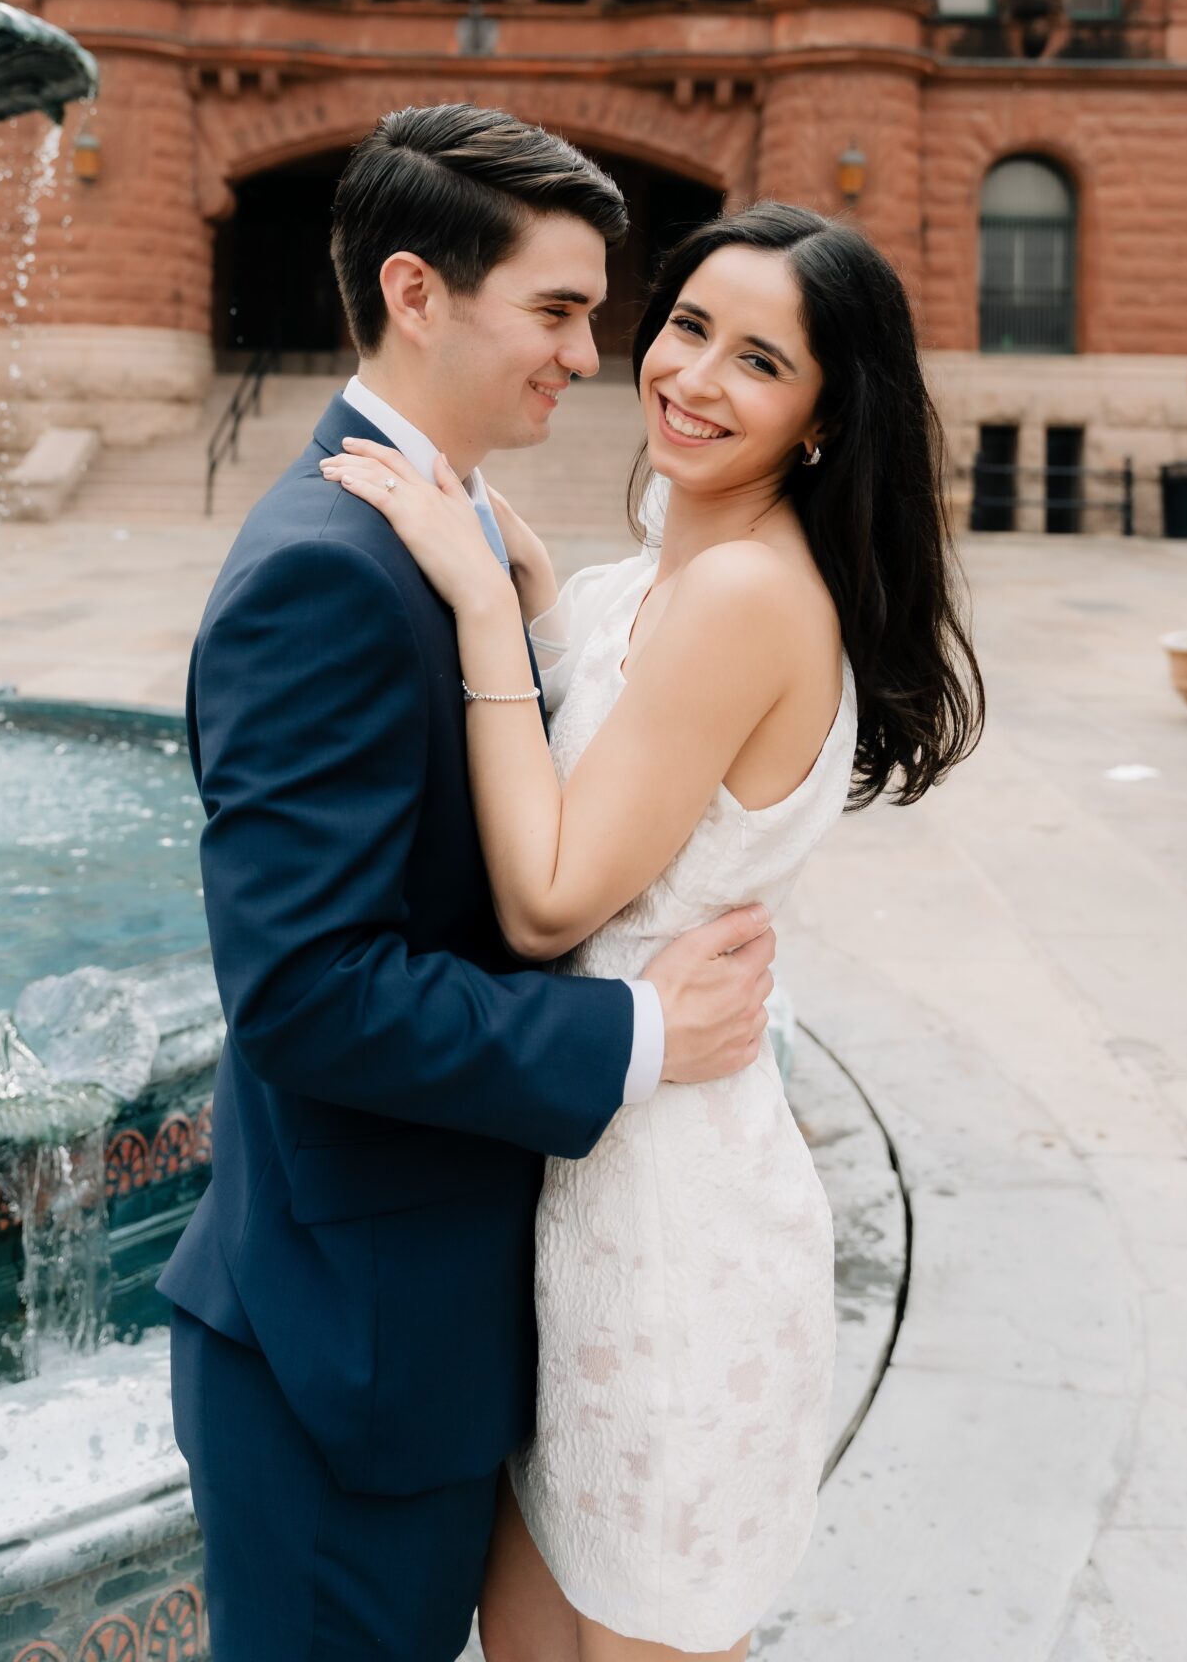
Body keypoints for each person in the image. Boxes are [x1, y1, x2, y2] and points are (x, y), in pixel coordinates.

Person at [159, 104, 781, 1662]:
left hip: (436, 1322)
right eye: (559, 309)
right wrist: (636, 1037)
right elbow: (307, 990)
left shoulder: (445, 538)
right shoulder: (329, 563)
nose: (593, 351)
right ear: (417, 291)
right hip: (339, 1358)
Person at [323, 198, 983, 1660]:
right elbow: (620, 729)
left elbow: (556, 893)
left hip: (675, 1232)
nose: (693, 377)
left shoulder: (749, 590)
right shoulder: (663, 571)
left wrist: (484, 622)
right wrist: (541, 597)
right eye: (688, 327)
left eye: (761, 362)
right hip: (589, 1176)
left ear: (820, 420)